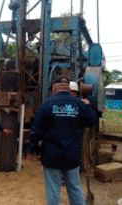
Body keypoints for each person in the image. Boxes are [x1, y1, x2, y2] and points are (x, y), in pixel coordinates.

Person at [28, 76, 98, 205]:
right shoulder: (79, 104)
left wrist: (31, 149)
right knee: (74, 188)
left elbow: (36, 130)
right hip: (72, 155)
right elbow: (92, 121)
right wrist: (87, 107)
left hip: (51, 156)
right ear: (69, 88)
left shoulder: (46, 104)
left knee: (53, 190)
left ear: (54, 88)